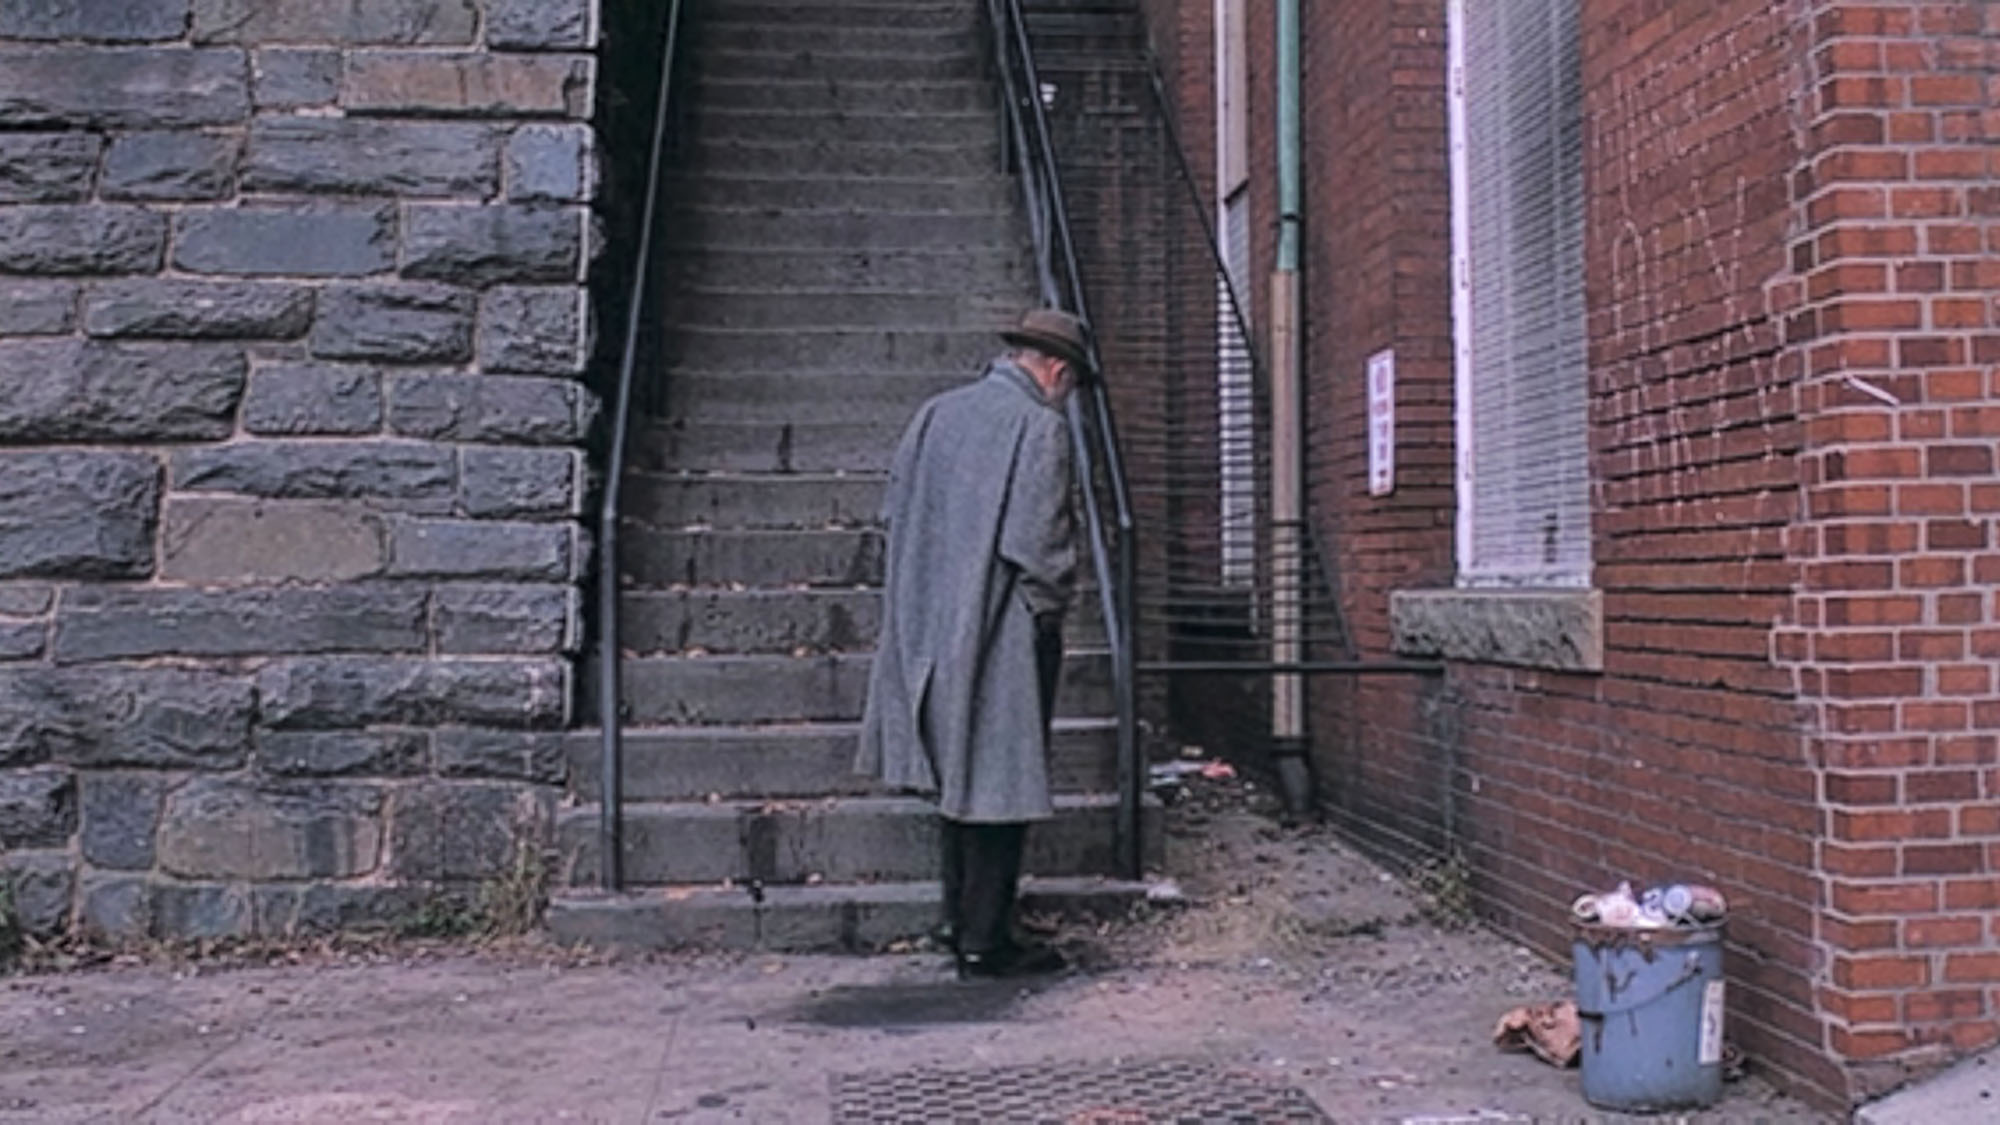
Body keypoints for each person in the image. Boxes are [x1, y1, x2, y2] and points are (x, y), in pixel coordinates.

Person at [856, 307, 1087, 979]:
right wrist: (1046, 612)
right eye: (1071, 386)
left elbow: (894, 514)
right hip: (1004, 625)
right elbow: (1040, 545)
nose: (1068, 398)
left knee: (957, 778)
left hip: (930, 620)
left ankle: (959, 920)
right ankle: (986, 938)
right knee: (1001, 781)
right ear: (1057, 371)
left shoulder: (935, 414)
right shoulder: (1040, 426)